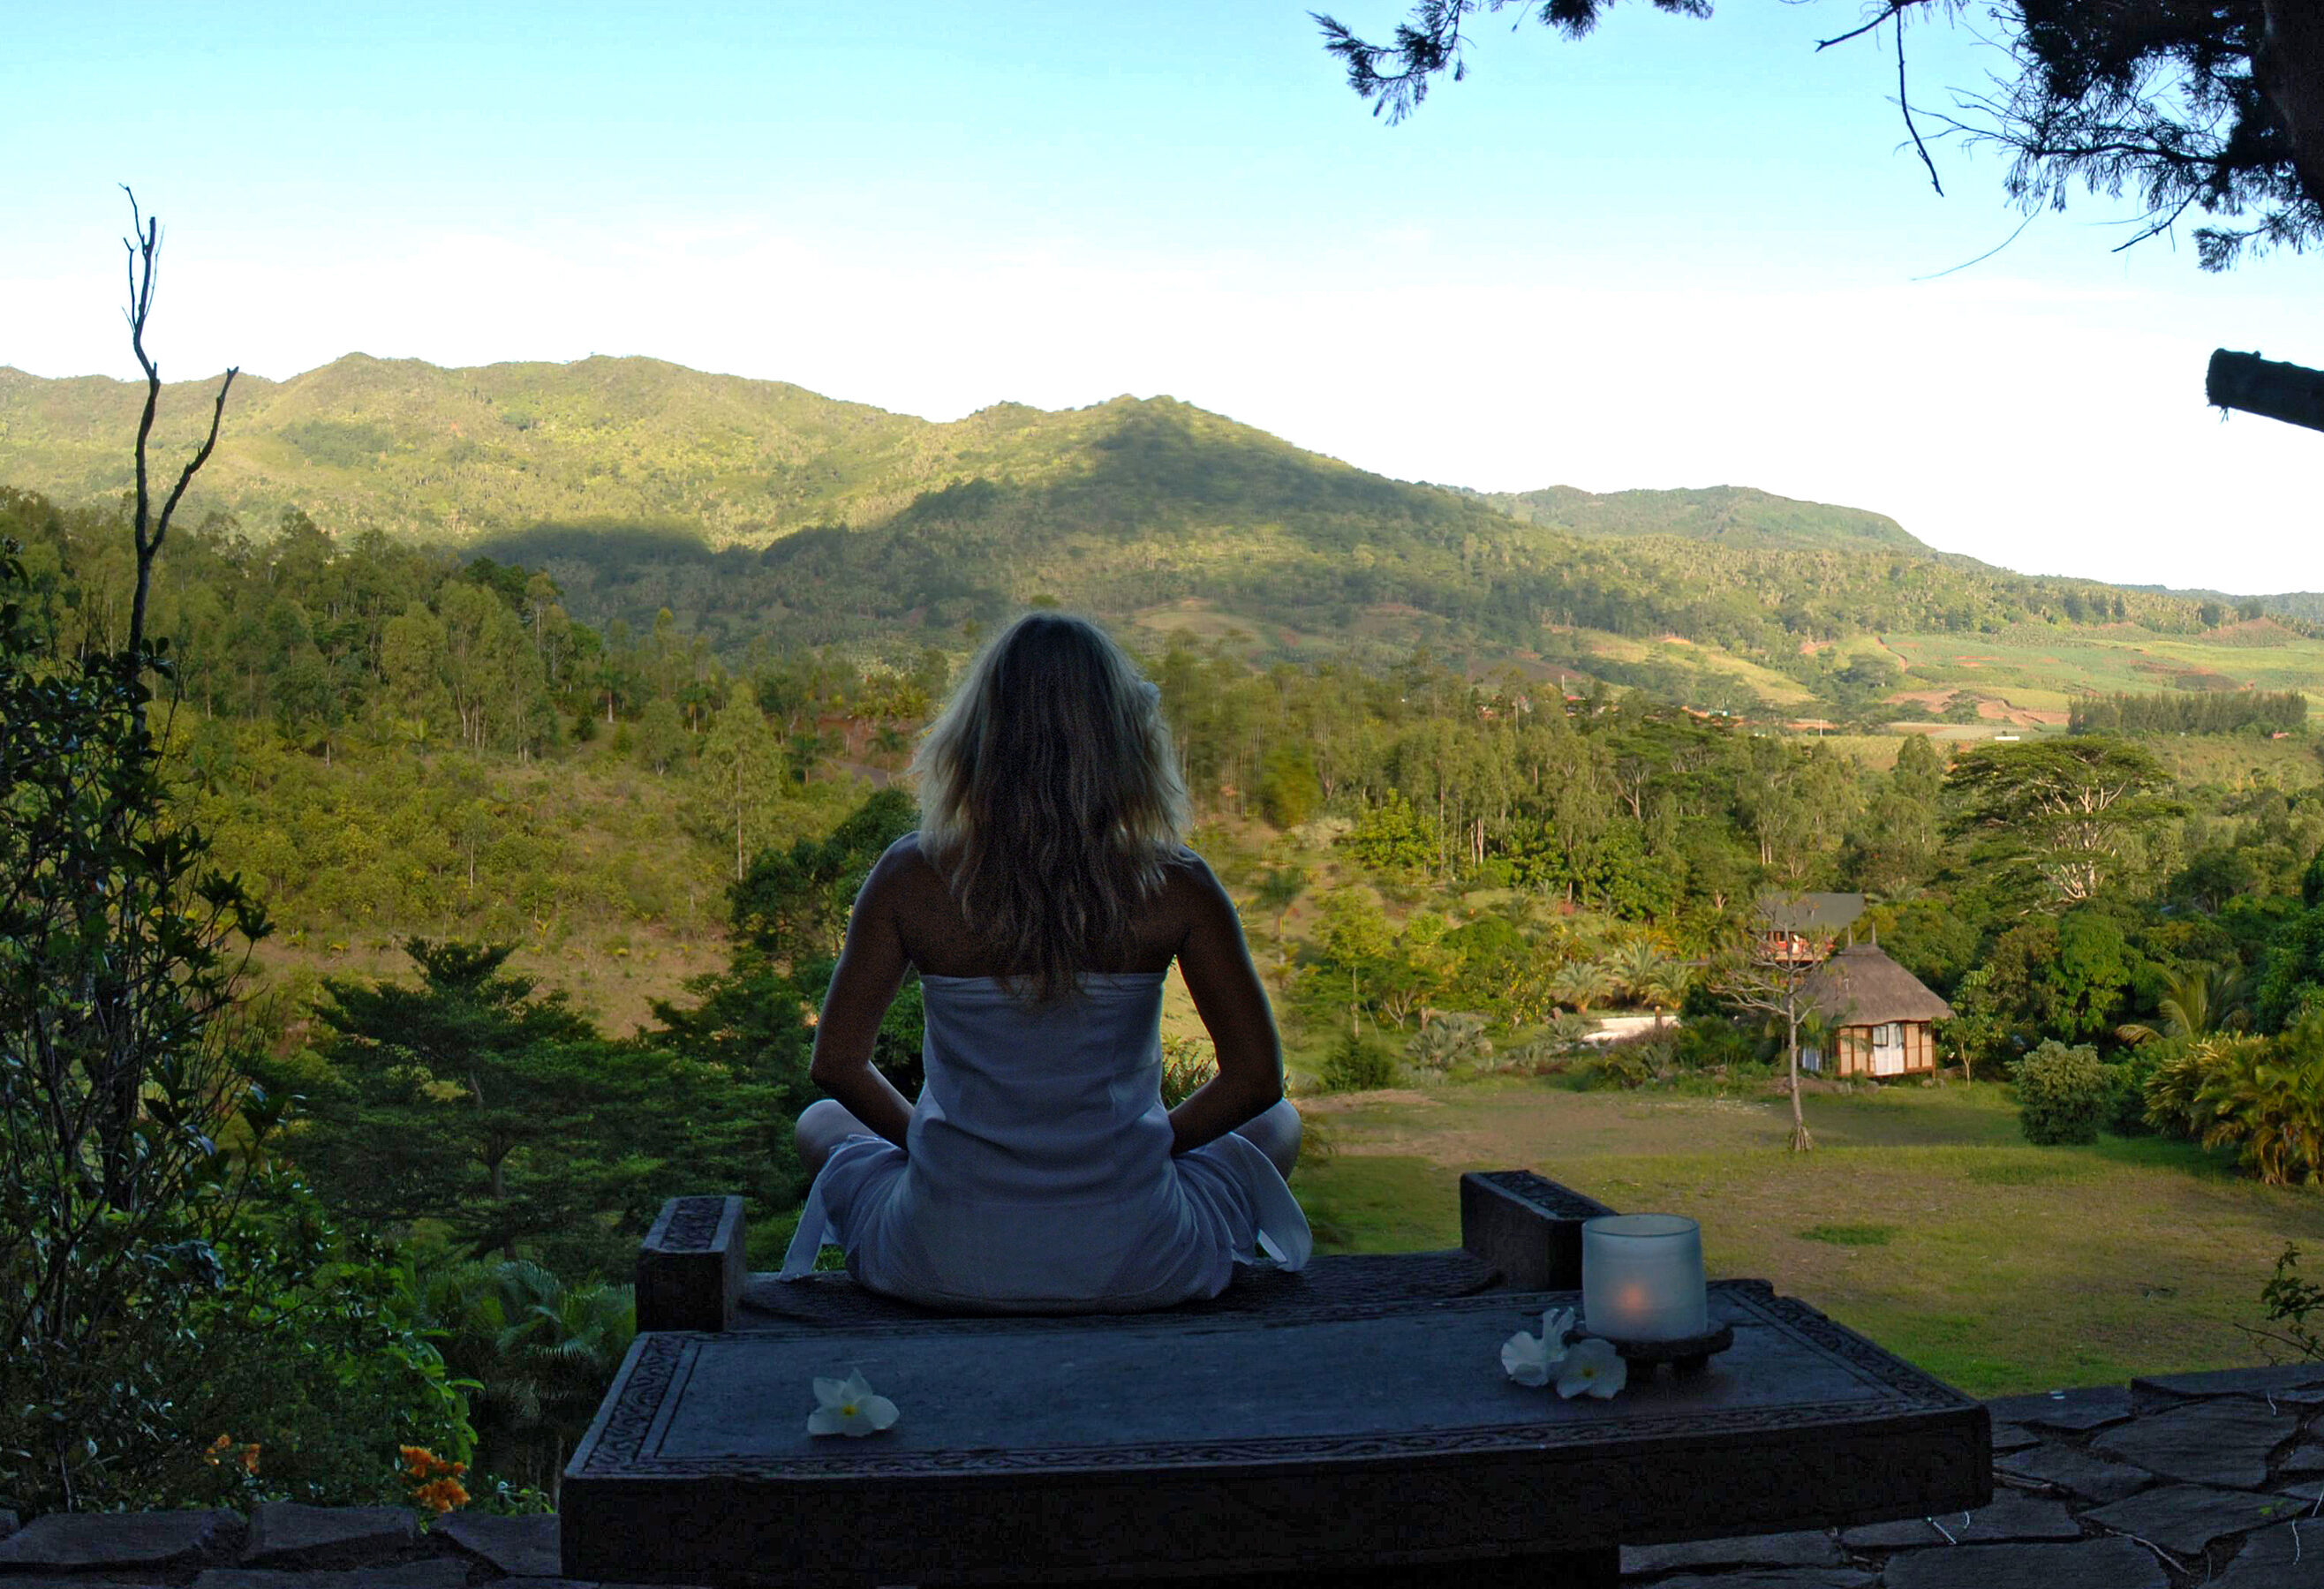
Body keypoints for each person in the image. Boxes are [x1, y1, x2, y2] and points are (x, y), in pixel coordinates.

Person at [777, 612, 1309, 1312]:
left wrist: (936, 1149)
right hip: (1139, 1260)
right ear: (1122, 740)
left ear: (977, 737)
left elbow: (836, 1065)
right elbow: (1258, 1081)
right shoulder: (1175, 883)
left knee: (821, 1122)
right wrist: (1151, 1147)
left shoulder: (912, 875)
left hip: (941, 1256)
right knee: (1281, 1124)